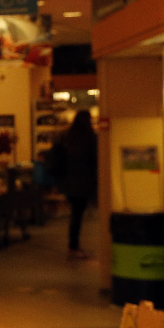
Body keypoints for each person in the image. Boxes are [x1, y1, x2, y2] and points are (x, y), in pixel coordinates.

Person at [49, 109, 98, 259]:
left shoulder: (67, 136)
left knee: (75, 214)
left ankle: (74, 245)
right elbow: (95, 158)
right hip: (83, 183)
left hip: (68, 182)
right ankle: (74, 245)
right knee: (78, 214)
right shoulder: (89, 137)